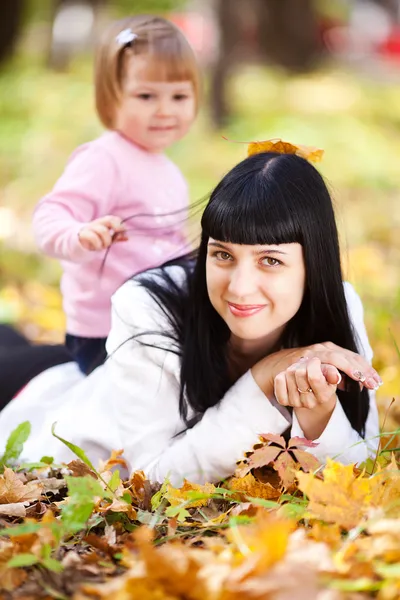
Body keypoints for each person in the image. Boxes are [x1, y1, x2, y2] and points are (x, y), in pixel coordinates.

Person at [0, 146, 381, 486]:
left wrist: (320, 413)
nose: (240, 287)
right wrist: (264, 377)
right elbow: (152, 477)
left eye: (270, 260)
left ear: (314, 265)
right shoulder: (150, 304)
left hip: (81, 373)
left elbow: (359, 467)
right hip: (37, 397)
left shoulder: (338, 306)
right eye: (223, 255)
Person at [32, 15, 200, 375]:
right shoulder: (104, 158)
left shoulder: (167, 169)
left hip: (159, 320)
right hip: (106, 331)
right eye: (146, 95)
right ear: (110, 98)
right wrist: (80, 234)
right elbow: (50, 217)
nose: (165, 110)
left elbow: (167, 243)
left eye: (179, 96)